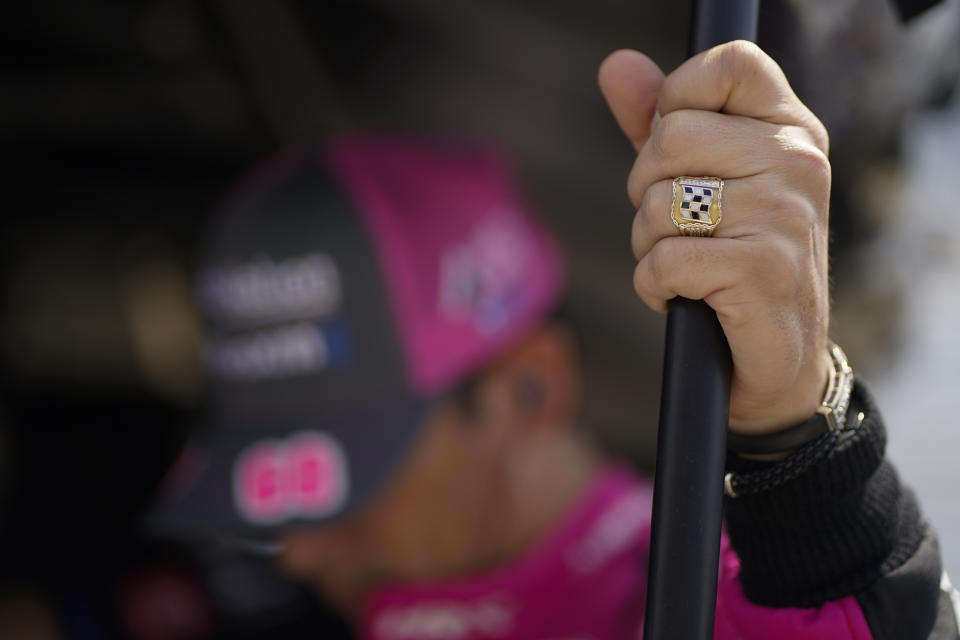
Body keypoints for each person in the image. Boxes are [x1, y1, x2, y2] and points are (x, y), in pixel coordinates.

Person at [151, 42, 960, 639]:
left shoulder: (697, 595)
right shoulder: (269, 611)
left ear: (529, 388)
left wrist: (796, 432)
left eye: (345, 476)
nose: (295, 554)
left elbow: (843, 615)